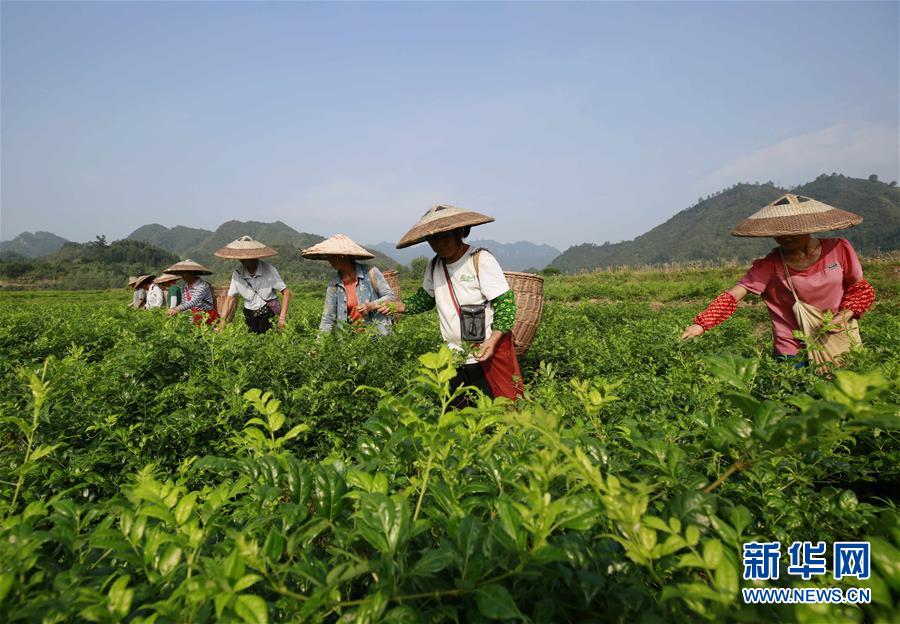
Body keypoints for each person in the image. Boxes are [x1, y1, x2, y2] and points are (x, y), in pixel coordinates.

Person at [682, 194, 875, 362]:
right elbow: (735, 295)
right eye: (777, 231)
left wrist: (844, 316)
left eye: (790, 230)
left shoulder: (838, 249)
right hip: (792, 348)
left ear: (808, 227)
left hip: (835, 336)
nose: (783, 236)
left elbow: (860, 289)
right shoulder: (770, 264)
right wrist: (702, 324)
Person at [377, 204, 523, 401]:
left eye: (444, 237)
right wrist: (396, 306)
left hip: (486, 352)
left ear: (460, 232)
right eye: (433, 239)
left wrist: (493, 340)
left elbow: (505, 303)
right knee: (459, 411)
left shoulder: (479, 259)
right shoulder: (434, 265)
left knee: (497, 408)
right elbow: (425, 300)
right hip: (454, 356)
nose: (439, 244)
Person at [301, 234, 395, 335]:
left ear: (344, 256)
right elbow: (327, 319)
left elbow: (391, 297)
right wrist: (318, 346)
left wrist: (371, 306)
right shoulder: (334, 285)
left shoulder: (370, 272)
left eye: (334, 256)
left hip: (379, 336)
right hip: (351, 343)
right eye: (329, 257)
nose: (330, 260)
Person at [214, 236, 291, 334]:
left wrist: (282, 318)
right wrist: (222, 323)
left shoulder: (268, 269)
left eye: (248, 258)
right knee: (252, 340)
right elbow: (230, 299)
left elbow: (286, 292)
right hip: (249, 313)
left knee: (269, 339)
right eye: (242, 258)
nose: (244, 260)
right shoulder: (237, 274)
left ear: (256, 257)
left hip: (268, 311)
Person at [163, 259, 219, 325]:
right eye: (181, 273)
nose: (182, 276)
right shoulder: (185, 287)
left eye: (184, 273)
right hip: (193, 317)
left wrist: (178, 308)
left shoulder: (203, 285)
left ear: (192, 273)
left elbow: (194, 301)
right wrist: (175, 311)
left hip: (206, 316)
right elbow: (184, 303)